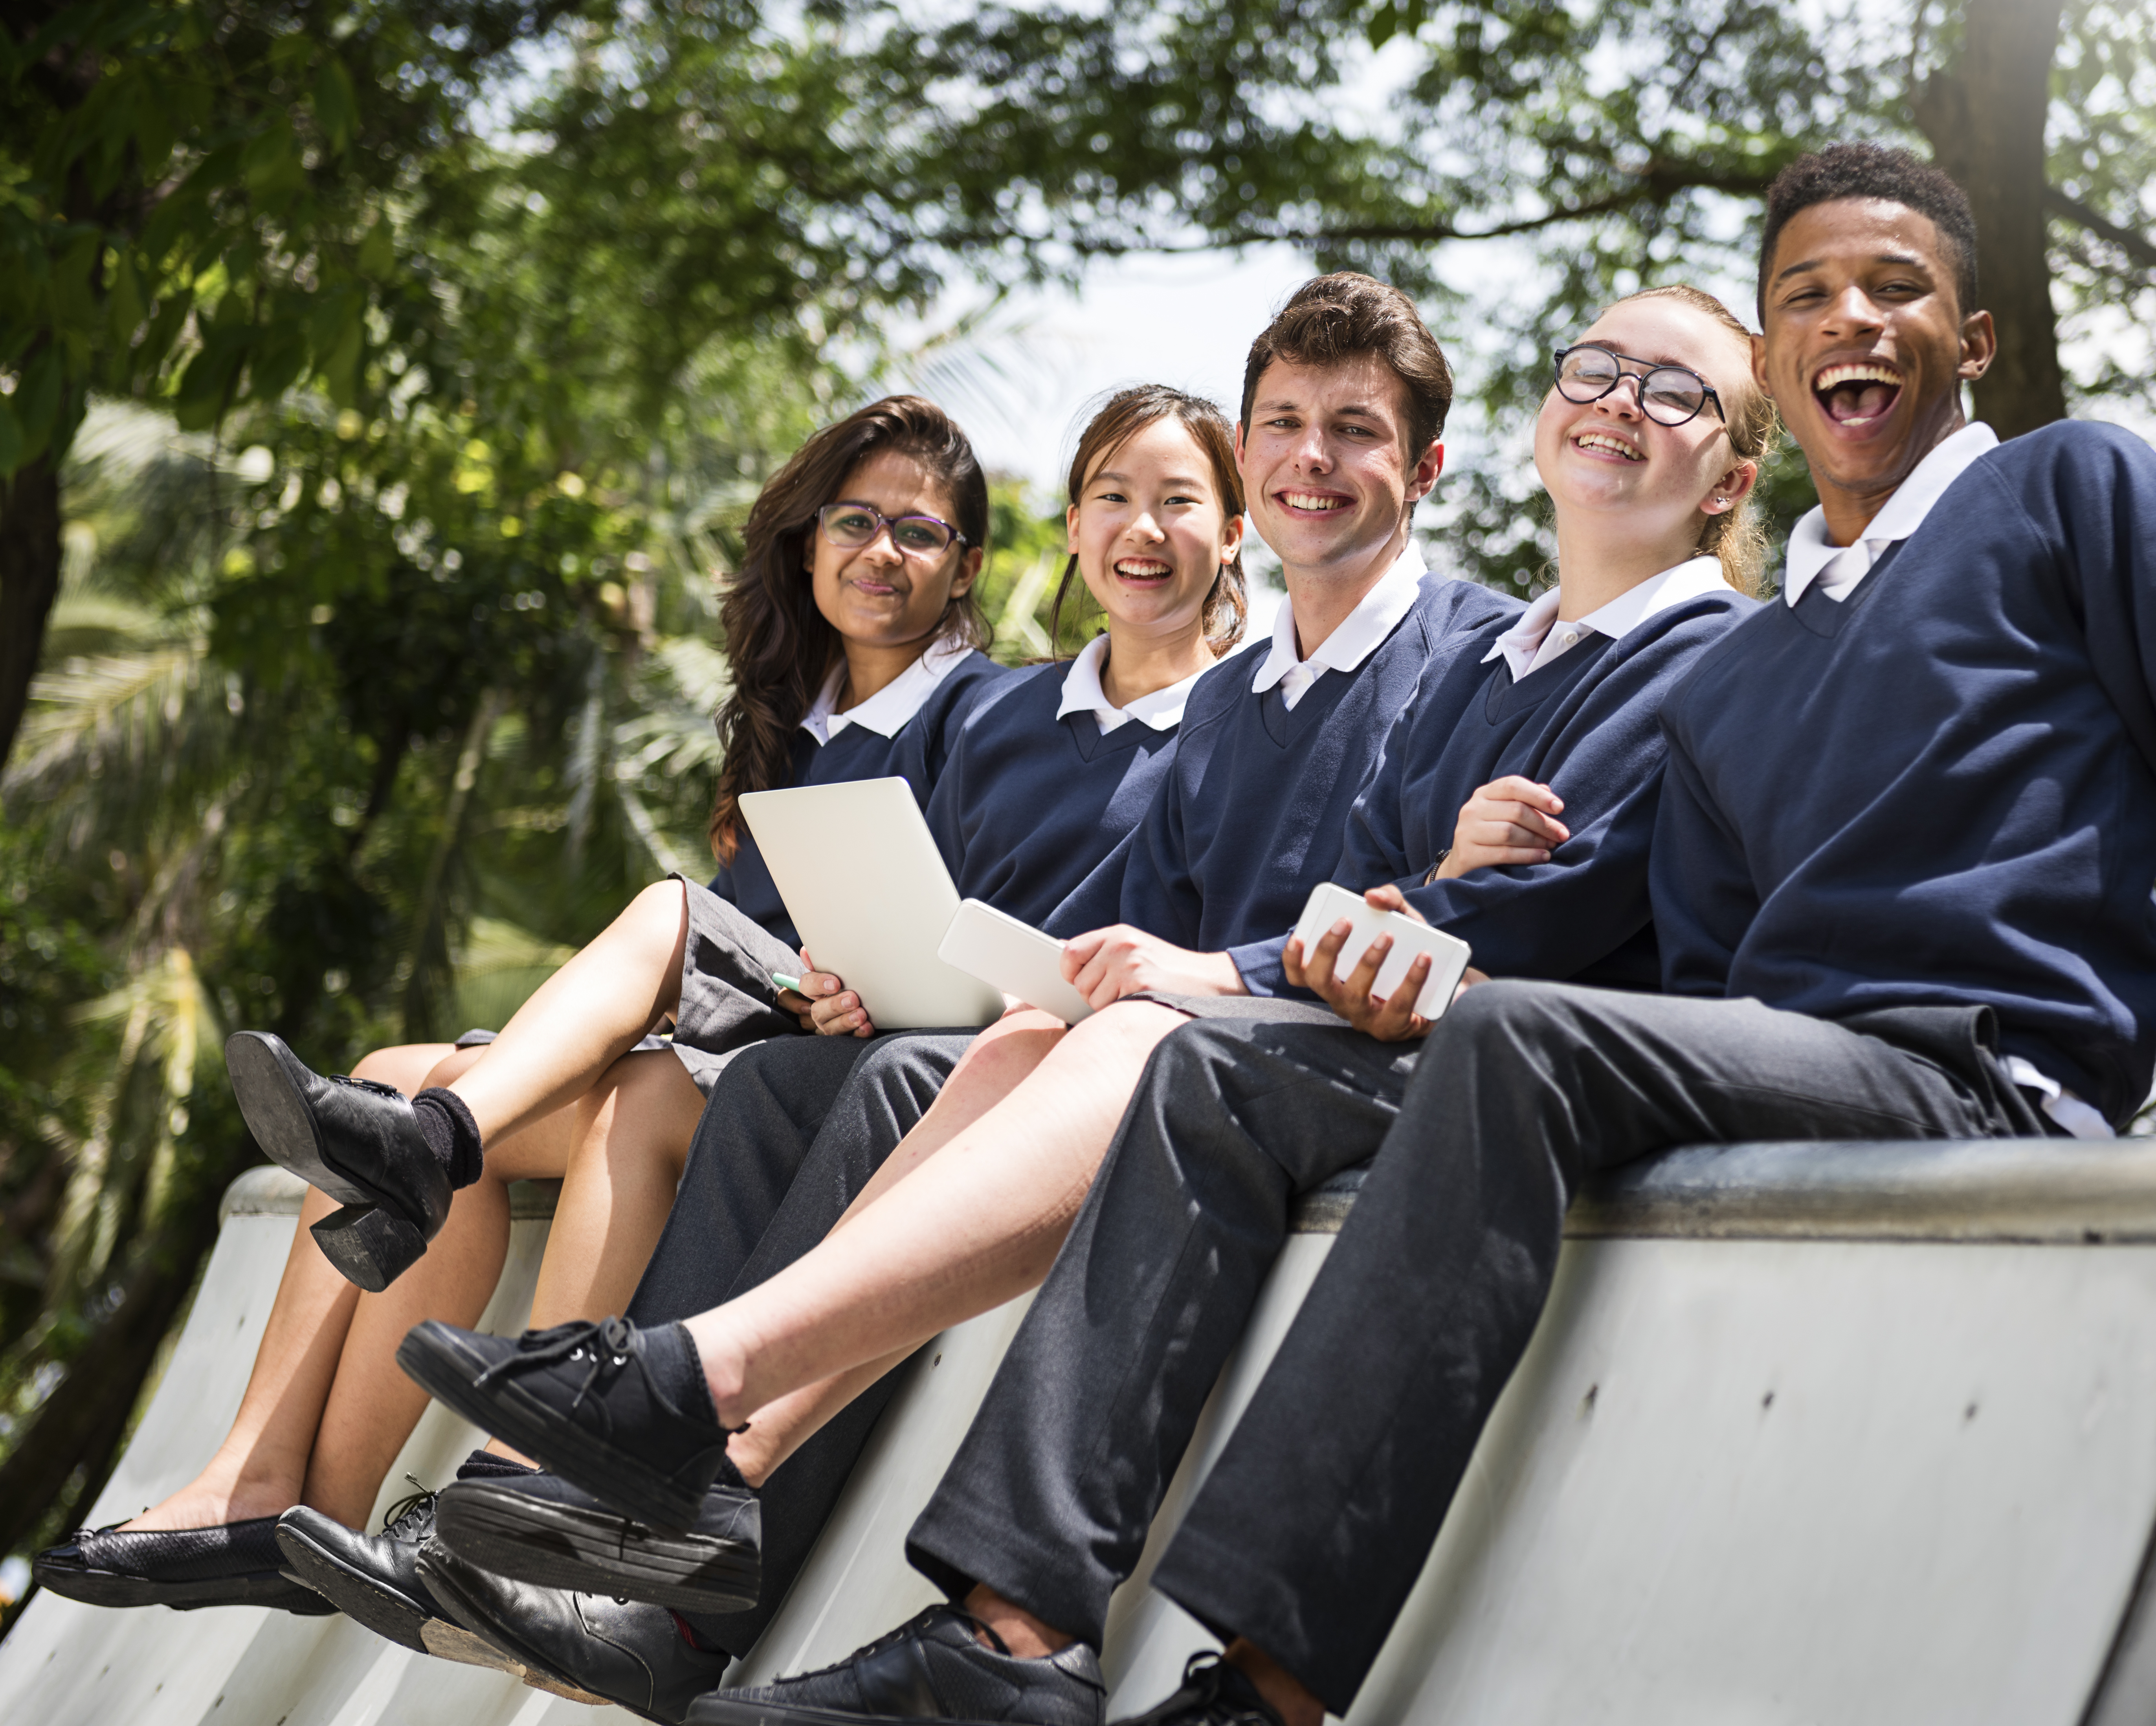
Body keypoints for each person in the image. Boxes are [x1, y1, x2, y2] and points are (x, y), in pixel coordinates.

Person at [516, 141, 2156, 1726]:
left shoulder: (2063, 488)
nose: (1856, 322)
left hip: (1973, 1071)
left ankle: (1261, 1686)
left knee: (1502, 1042)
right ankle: (1008, 1635)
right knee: (1213, 1075)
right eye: (1811, 293)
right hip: (1769, 1067)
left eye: (1897, 290)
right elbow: (1667, 950)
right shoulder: (1751, 677)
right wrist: (1422, 928)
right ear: (1778, 344)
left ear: (1966, 340)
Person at [402, 276, 1778, 1722]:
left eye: (1674, 389)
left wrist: (1339, 926)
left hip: (1462, 1065)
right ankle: (720, 1486)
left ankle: (706, 1420)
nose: (1623, 400)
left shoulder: (1592, 653)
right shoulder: (1487, 668)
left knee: (1099, 1046)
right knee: (974, 1043)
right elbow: (1261, 898)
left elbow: (1474, 914)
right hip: (1318, 1026)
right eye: (1597, 369)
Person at [285, 382, 1255, 1717]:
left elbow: (1201, 931)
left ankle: (680, 1582)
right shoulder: (1006, 718)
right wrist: (870, 973)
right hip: (938, 1025)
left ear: (1237, 530)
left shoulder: (1248, 717)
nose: (1143, 529)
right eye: (1114, 499)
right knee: (781, 1085)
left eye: (1180, 501)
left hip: (1074, 1063)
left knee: (874, 1076)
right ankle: (593, 1491)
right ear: (1075, 532)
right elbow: (938, 896)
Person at [31, 396, 998, 1643]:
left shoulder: (980, 716)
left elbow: (969, 927)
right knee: (386, 1079)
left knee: (634, 1023)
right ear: (807, 543)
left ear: (967, 565)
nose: (881, 552)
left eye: (919, 532)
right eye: (855, 521)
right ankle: (279, 1491)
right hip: (717, 1039)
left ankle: (511, 1476)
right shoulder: (791, 726)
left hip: (811, 1088)